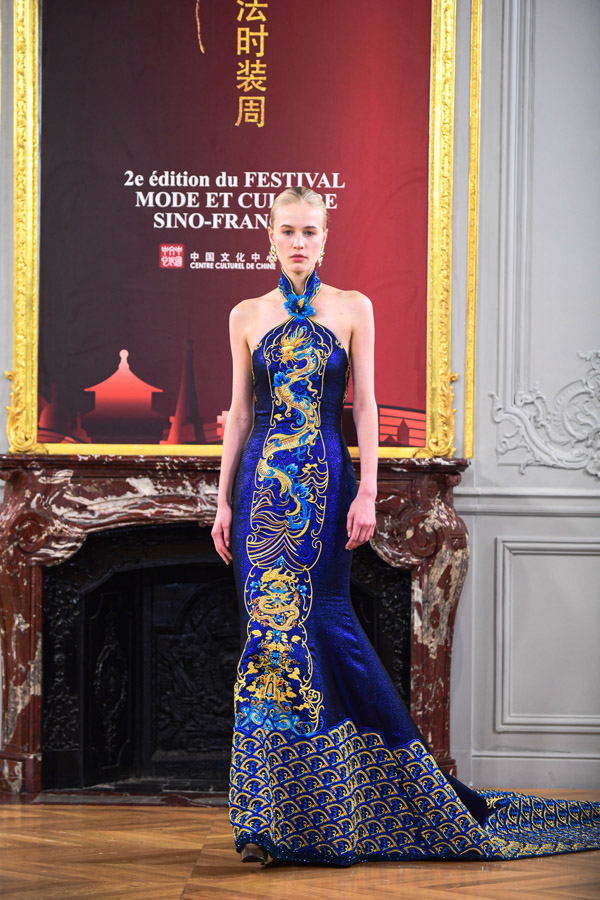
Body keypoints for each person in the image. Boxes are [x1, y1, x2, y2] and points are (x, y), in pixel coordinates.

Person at [211, 186, 600, 867]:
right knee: (269, 641)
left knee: (324, 621)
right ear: (269, 237)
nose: (298, 242)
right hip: (259, 495)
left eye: (309, 231)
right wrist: (222, 503)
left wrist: (367, 490)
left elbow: (363, 406)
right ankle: (271, 821)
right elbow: (241, 414)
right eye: (287, 231)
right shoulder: (246, 314)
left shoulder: (353, 307)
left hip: (326, 486)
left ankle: (337, 813)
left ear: (325, 238)